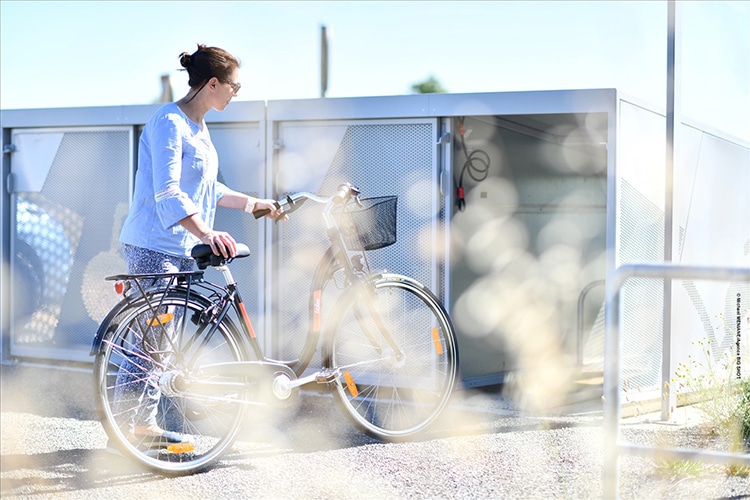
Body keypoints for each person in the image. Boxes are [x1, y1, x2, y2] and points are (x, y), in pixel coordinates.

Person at [114, 44, 282, 446]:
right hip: (154, 244)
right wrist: (206, 233)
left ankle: (138, 427)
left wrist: (252, 203)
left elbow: (208, 188)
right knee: (151, 340)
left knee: (160, 342)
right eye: (234, 86)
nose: (235, 93)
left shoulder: (199, 126)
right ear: (212, 84)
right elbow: (168, 192)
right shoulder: (169, 122)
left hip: (178, 246)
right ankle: (129, 430)